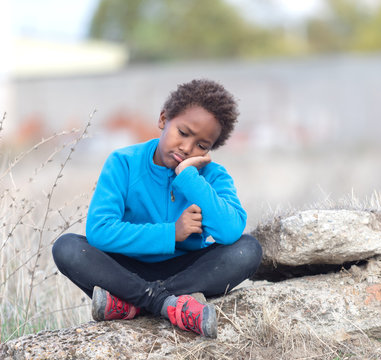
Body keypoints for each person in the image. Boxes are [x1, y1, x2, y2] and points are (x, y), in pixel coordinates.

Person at [52, 79, 263, 339]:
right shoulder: (124, 162)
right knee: (68, 248)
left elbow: (230, 231)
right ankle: (166, 304)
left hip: (186, 273)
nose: (187, 148)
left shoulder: (212, 176)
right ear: (164, 119)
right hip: (124, 270)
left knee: (248, 249)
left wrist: (188, 177)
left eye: (201, 145)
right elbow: (100, 231)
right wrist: (171, 233)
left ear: (210, 150)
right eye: (183, 133)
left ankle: (131, 303)